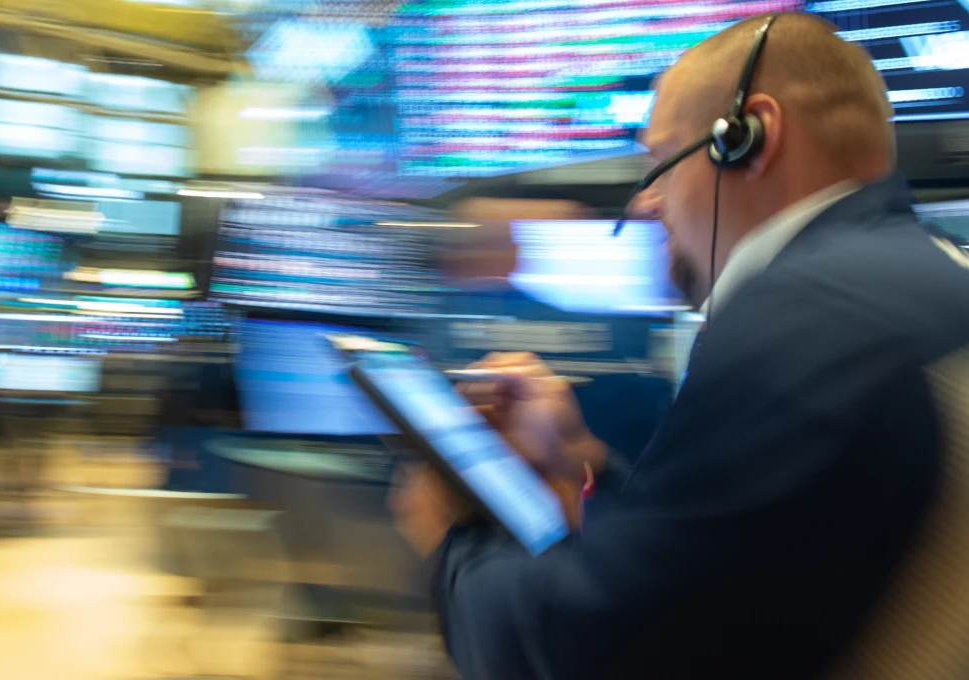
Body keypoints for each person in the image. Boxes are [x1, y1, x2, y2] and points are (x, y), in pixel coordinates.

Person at [391, 12, 969, 680]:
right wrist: (585, 463)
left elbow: (591, 652)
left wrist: (456, 545)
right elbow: (726, 569)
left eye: (660, 162)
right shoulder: (922, 271)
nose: (646, 203)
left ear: (747, 138)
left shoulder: (802, 319)